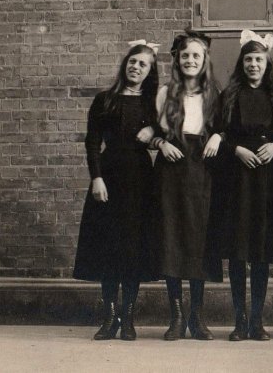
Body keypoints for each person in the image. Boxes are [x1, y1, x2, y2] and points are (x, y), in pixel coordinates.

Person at [73, 40, 160, 341]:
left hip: (140, 179)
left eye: (143, 65)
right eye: (133, 62)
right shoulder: (105, 100)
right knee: (109, 247)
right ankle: (110, 316)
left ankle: (129, 318)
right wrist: (96, 178)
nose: (136, 67)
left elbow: (172, 128)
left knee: (132, 248)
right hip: (109, 175)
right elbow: (93, 142)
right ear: (125, 64)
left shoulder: (152, 104)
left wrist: (156, 132)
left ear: (150, 72)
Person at [149, 29, 223, 341]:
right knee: (172, 238)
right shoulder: (166, 93)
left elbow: (226, 128)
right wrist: (160, 144)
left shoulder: (214, 95)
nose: (190, 60)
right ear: (177, 61)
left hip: (202, 171)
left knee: (198, 240)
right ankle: (176, 316)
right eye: (185, 56)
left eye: (196, 55)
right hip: (171, 170)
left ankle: (197, 315)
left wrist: (219, 135)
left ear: (204, 60)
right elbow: (150, 130)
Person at [214, 30, 273, 341]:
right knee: (239, 252)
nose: (254, 65)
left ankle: (257, 320)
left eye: (259, 59)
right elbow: (218, 134)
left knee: (260, 252)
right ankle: (239, 321)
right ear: (241, 64)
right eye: (249, 60)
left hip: (267, 182)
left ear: (268, 64)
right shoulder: (228, 96)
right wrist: (236, 150)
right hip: (237, 180)